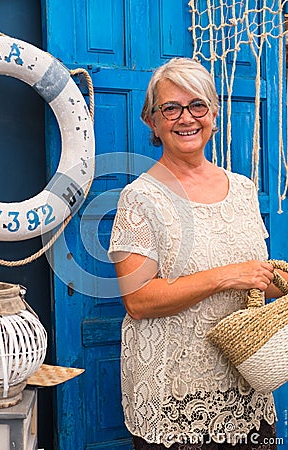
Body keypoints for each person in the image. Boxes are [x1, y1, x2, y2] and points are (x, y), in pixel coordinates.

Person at [108, 57, 285, 449]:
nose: (185, 117)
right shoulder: (140, 198)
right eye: (170, 108)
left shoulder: (242, 189)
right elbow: (137, 300)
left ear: (214, 114)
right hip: (174, 401)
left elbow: (254, 277)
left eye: (197, 105)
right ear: (151, 122)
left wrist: (277, 282)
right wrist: (226, 276)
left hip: (246, 392)